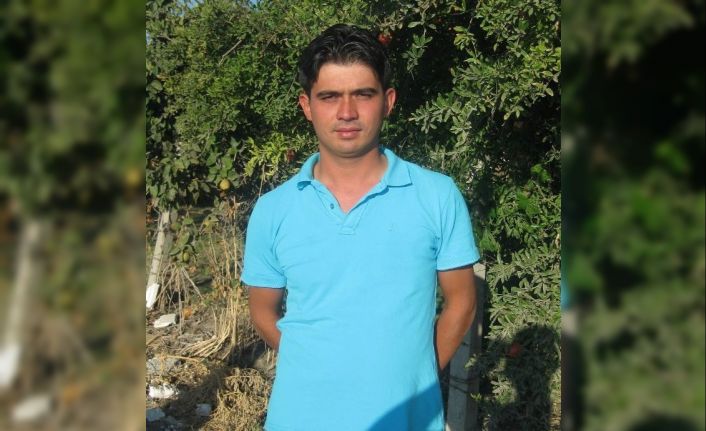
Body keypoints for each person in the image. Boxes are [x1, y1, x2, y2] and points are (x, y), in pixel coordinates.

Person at [241, 23, 479, 431]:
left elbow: (462, 302)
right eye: (329, 96)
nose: (347, 112)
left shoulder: (437, 196)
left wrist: (413, 378)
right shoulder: (273, 209)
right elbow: (262, 311)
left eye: (363, 94)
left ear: (388, 102)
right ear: (307, 106)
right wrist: (317, 362)